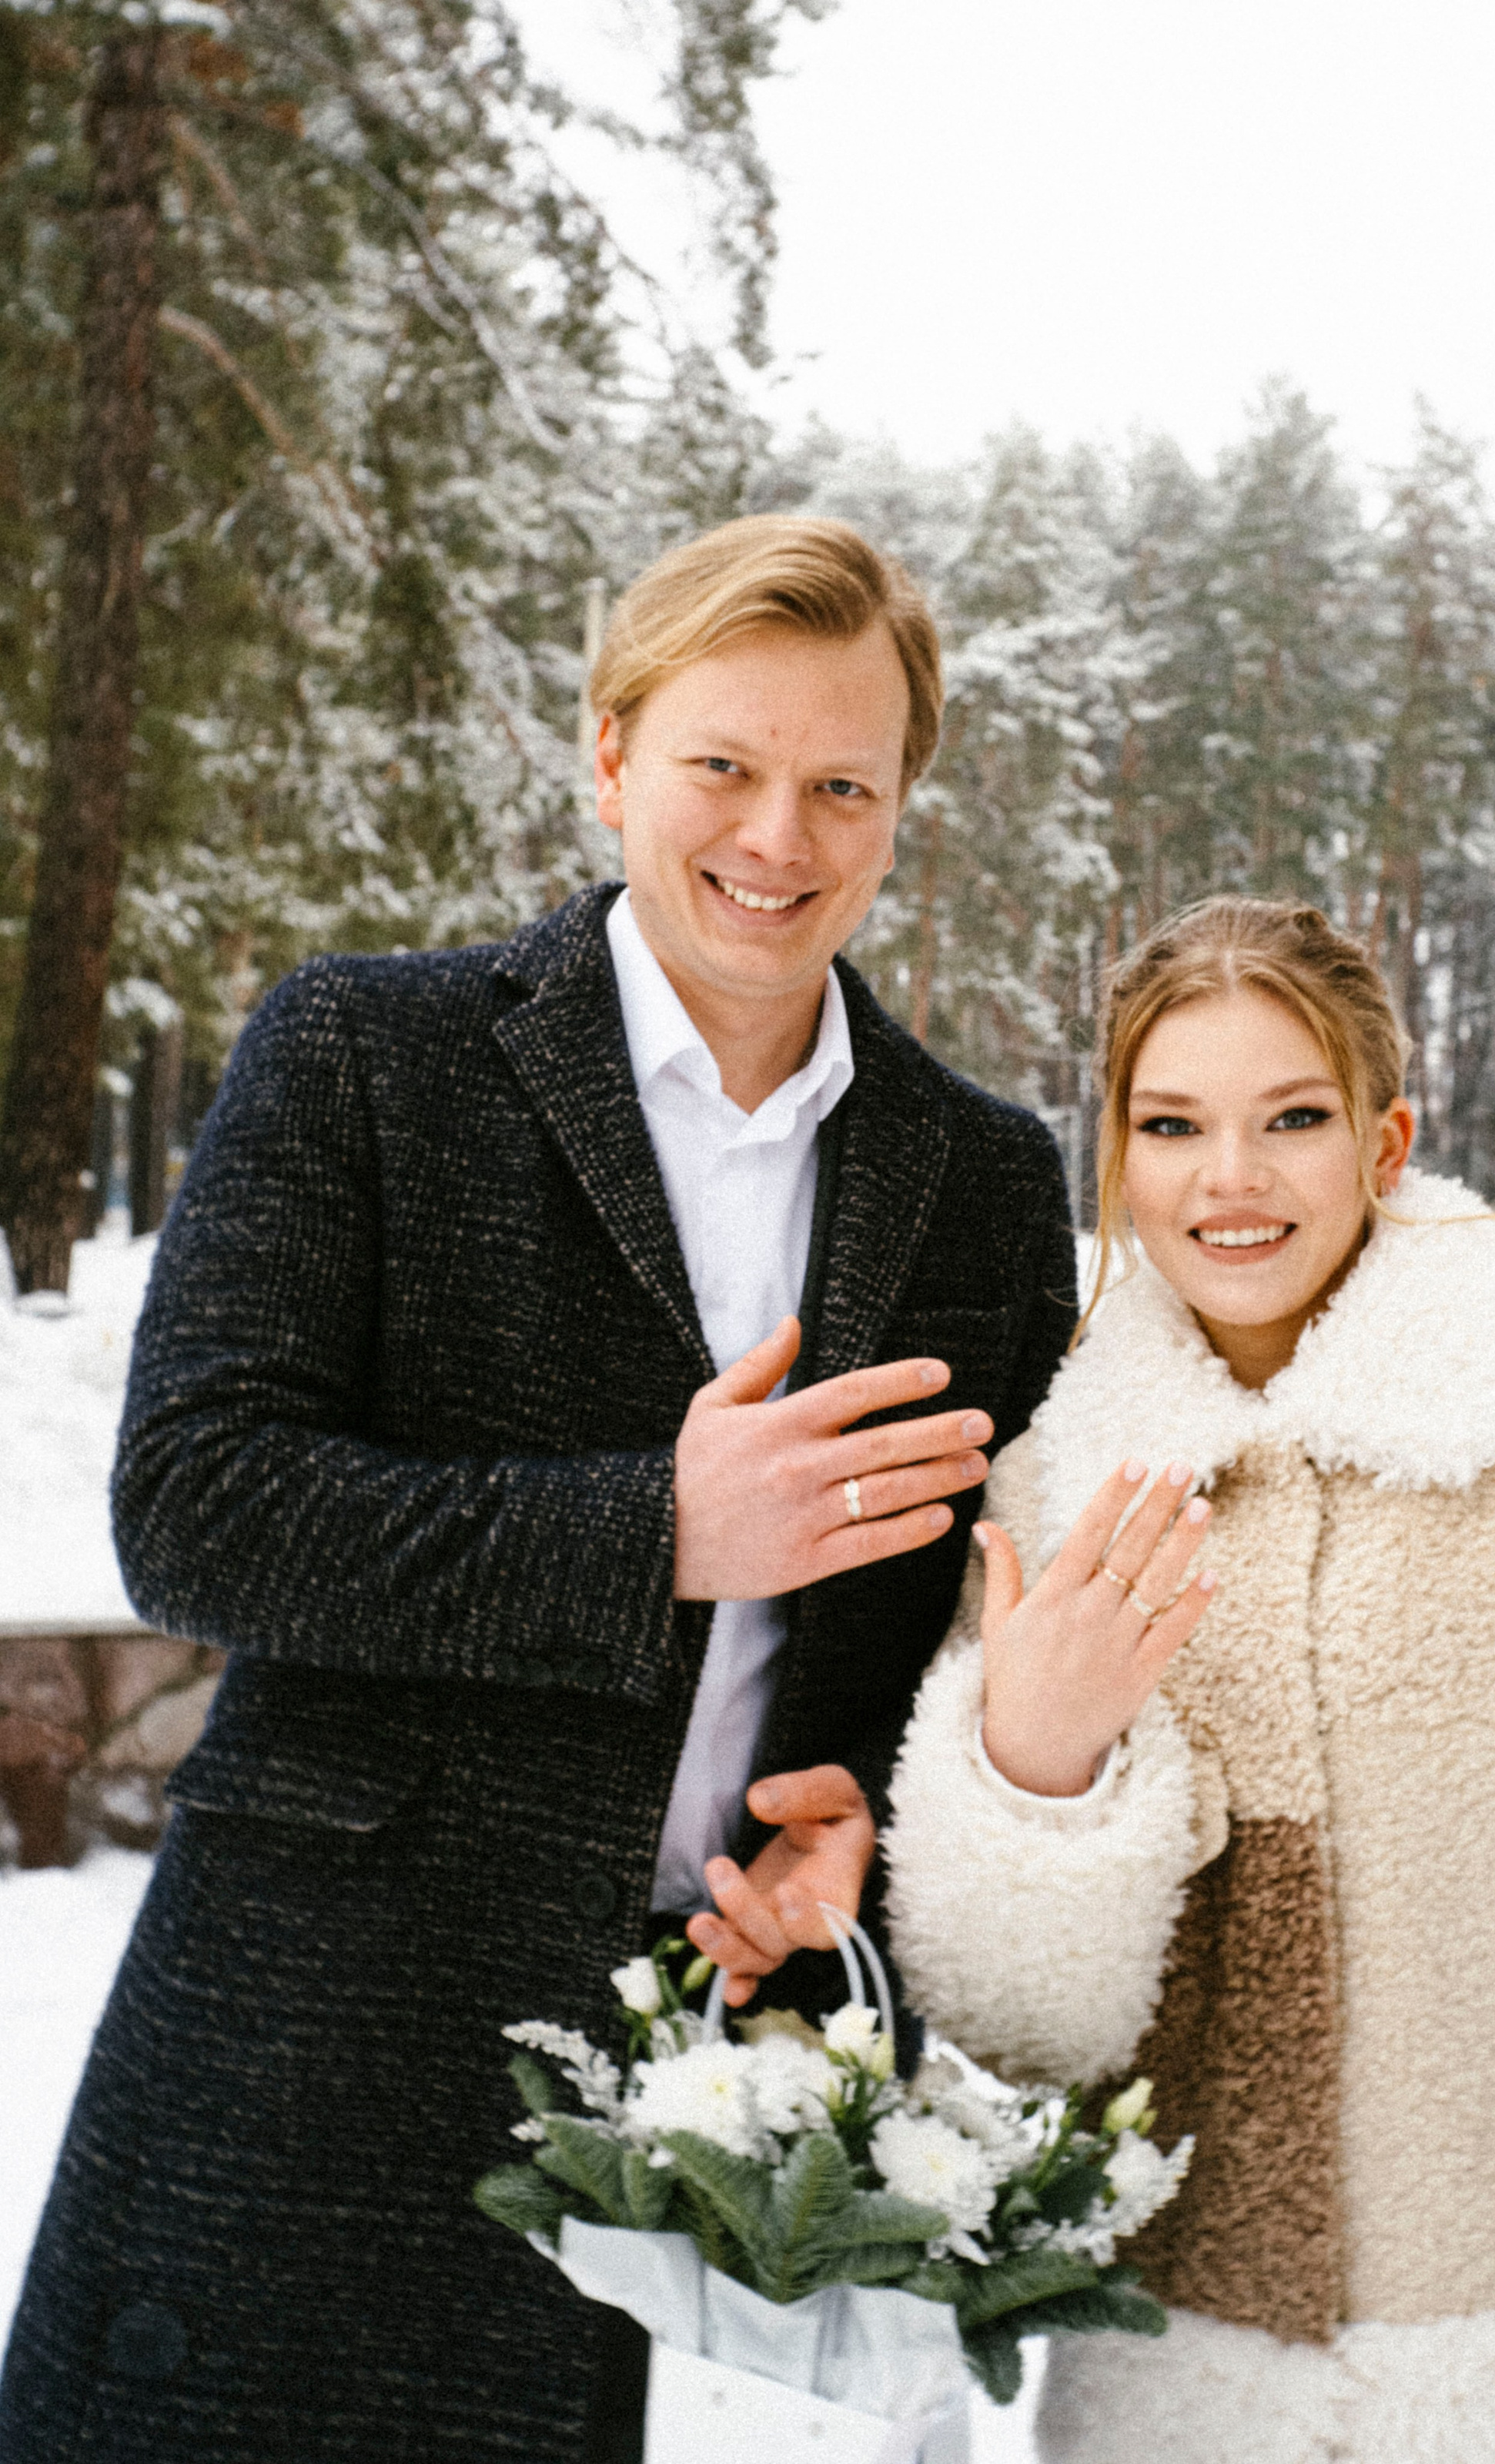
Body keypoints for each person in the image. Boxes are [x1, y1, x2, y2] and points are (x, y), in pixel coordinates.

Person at [0, 517, 1076, 2464]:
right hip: (322, 2041)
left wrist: (880, 1854)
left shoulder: (983, 1173)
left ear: (899, 808)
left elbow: (977, 1620)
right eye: (723, 767)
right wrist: (648, 1529)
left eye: (842, 783)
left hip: (733, 2088)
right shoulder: (369, 1055)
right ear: (609, 754)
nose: (778, 834)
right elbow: (198, 1502)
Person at [884, 895, 1495, 2464]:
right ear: (1119, 1159)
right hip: (1175, 2387)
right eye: (1171, 1124)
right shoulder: (1060, 1475)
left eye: (1289, 1116)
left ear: (1384, 1137)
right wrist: (1033, 1768)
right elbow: (1027, 2032)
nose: (1228, 1178)